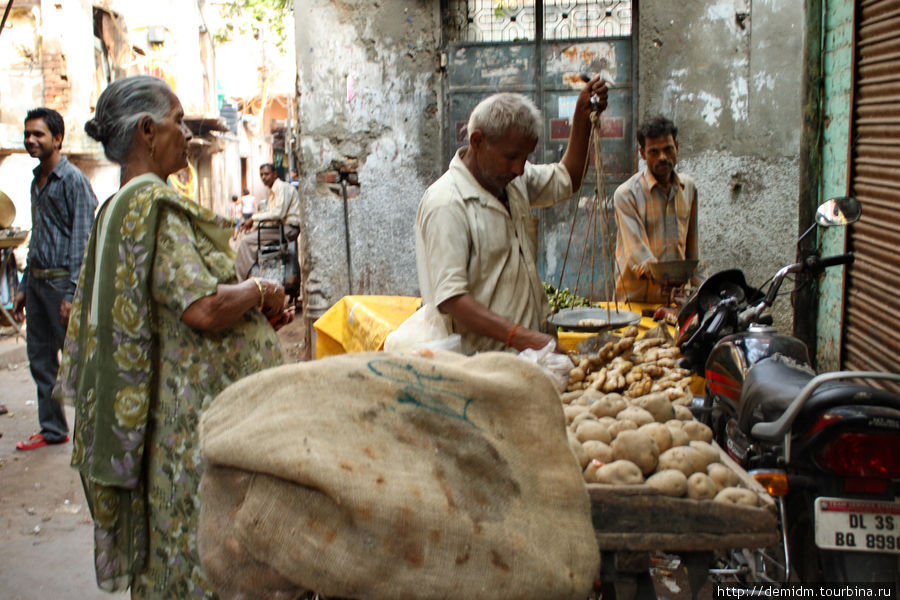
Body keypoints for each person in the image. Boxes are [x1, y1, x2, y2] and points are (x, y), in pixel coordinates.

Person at [55, 75, 291, 598]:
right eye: (178, 120)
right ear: (147, 130)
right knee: (192, 552)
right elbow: (203, 308)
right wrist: (261, 290)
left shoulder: (117, 209)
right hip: (181, 426)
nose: (186, 132)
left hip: (165, 418)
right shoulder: (153, 207)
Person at [415, 79, 608, 355]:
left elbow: (568, 178)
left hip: (527, 357)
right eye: (511, 156)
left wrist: (582, 115)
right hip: (481, 365)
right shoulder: (447, 203)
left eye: (526, 157)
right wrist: (521, 337)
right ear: (478, 141)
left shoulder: (513, 181)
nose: (519, 168)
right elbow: (452, 298)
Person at [13, 107, 97, 451]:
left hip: (62, 284)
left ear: (58, 139)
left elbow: (83, 238)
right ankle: (53, 429)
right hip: (36, 283)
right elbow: (39, 237)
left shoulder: (73, 180)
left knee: (78, 360)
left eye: (39, 135)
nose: (31, 140)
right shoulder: (37, 180)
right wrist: (22, 288)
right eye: (28, 134)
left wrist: (72, 293)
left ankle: (96, 432)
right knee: (40, 360)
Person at [613, 116, 699, 304]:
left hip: (676, 303)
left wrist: (702, 295)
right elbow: (638, 254)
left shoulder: (689, 189)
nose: (662, 157)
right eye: (654, 152)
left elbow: (692, 253)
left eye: (668, 149)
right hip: (636, 303)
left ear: (676, 146)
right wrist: (668, 279)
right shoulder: (627, 194)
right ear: (643, 154)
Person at [233, 163, 301, 280]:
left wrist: (253, 218)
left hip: (288, 228)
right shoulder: (272, 191)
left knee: (246, 242)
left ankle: (239, 280)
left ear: (275, 174)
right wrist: (254, 225)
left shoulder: (282, 187)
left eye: (266, 174)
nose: (264, 177)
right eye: (261, 175)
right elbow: (271, 215)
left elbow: (278, 213)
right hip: (280, 227)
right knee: (250, 236)